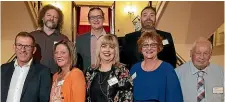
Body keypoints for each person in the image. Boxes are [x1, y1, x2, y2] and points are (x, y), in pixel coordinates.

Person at [130, 31, 183, 102]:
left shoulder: (167, 69)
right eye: (145, 45)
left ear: (158, 48)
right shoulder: (134, 69)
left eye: (153, 45)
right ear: (141, 48)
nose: (149, 48)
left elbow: (175, 98)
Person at [1, 32, 51, 102]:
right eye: (19, 45)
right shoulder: (3, 69)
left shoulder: (43, 72)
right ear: (14, 47)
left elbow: (44, 100)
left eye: (27, 46)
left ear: (34, 50)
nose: (23, 50)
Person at [85, 34, 133, 102]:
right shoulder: (90, 71)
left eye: (111, 47)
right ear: (99, 49)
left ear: (115, 50)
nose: (107, 50)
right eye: (104, 46)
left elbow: (127, 97)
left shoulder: (122, 71)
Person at [175, 37, 224, 102]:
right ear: (191, 53)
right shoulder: (177, 74)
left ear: (210, 55)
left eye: (206, 53)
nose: (201, 57)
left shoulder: (221, 73)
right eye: (198, 53)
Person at [30, 4, 68, 74]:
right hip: (34, 75)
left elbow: (67, 60)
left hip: (55, 76)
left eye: (55, 17)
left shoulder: (63, 39)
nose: (51, 18)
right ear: (42, 18)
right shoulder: (32, 36)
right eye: (48, 15)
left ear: (58, 21)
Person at [76, 7, 108, 72]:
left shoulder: (112, 38)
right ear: (89, 20)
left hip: (108, 78)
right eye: (92, 17)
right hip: (87, 78)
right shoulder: (80, 40)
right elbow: (75, 62)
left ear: (103, 19)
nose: (96, 20)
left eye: (99, 17)